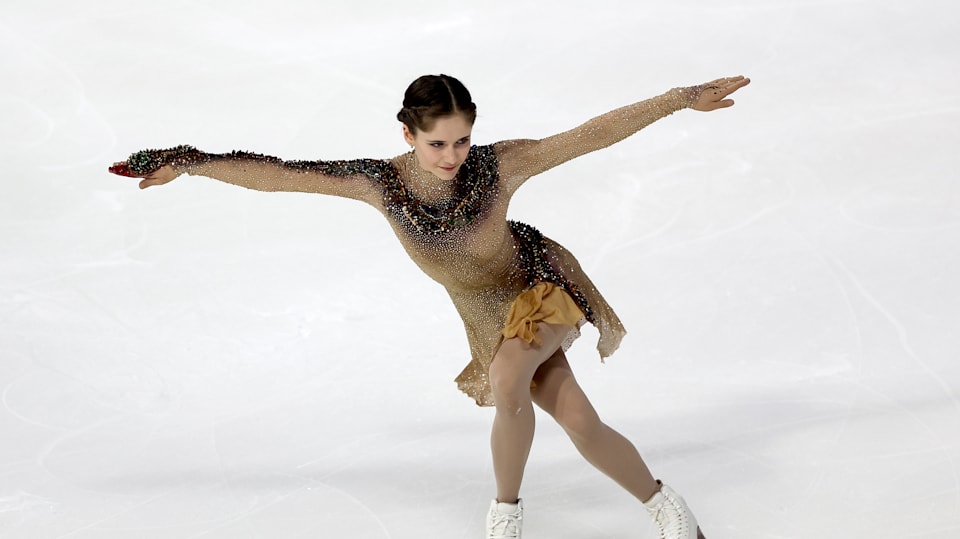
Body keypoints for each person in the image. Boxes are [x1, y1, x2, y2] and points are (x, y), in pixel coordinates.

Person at [111, 73, 750, 539]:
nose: (452, 157)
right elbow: (282, 172)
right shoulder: (379, 183)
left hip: (540, 289)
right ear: (408, 133)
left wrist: (677, 99)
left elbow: (587, 136)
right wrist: (192, 163)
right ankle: (668, 508)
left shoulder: (500, 166)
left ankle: (505, 515)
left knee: (507, 380)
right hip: (485, 319)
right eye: (437, 144)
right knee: (579, 423)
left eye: (463, 141)